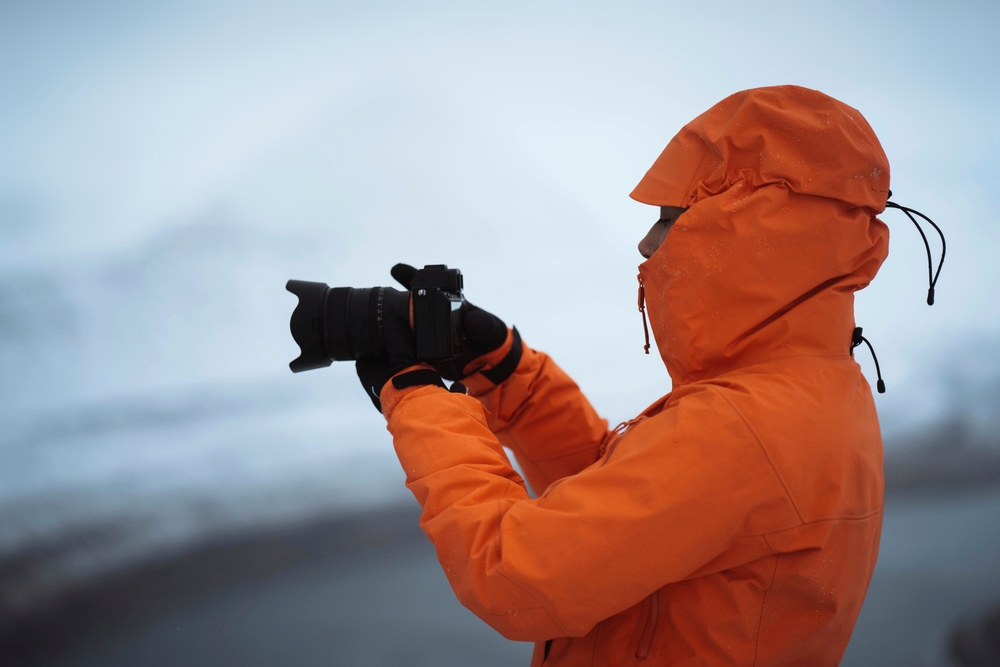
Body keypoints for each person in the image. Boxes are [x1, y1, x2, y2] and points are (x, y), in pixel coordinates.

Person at [355, 85, 890, 666]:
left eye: (672, 219)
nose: (646, 242)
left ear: (752, 236)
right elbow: (625, 518)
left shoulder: (742, 427)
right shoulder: (817, 392)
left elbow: (516, 576)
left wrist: (418, 400)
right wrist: (511, 377)